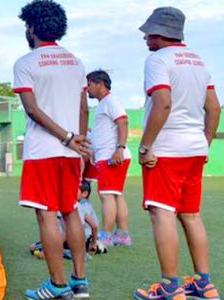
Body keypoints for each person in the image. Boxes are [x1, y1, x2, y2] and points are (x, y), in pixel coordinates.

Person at [134, 7, 221, 300]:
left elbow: (163, 103)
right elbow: (214, 108)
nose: (145, 37)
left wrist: (146, 146)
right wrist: (204, 143)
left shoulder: (157, 59)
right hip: (194, 149)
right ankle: (204, 284)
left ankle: (171, 287)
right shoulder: (198, 61)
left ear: (160, 33)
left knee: (163, 215)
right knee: (191, 215)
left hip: (166, 150)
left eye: (148, 32)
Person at [14, 1, 91, 298]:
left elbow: (32, 110)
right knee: (71, 211)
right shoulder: (76, 61)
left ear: (32, 27)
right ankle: (79, 282)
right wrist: (79, 143)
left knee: (47, 215)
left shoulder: (26, 62)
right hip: (72, 152)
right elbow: (83, 106)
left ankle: (58, 286)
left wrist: (68, 137)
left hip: (44, 151)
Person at [84, 70, 133, 248]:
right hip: (111, 156)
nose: (87, 88)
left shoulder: (110, 102)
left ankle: (105, 236)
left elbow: (123, 122)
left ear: (99, 83)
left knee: (106, 196)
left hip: (112, 157)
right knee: (116, 195)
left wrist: (119, 148)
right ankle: (122, 235)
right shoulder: (104, 104)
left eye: (89, 84)